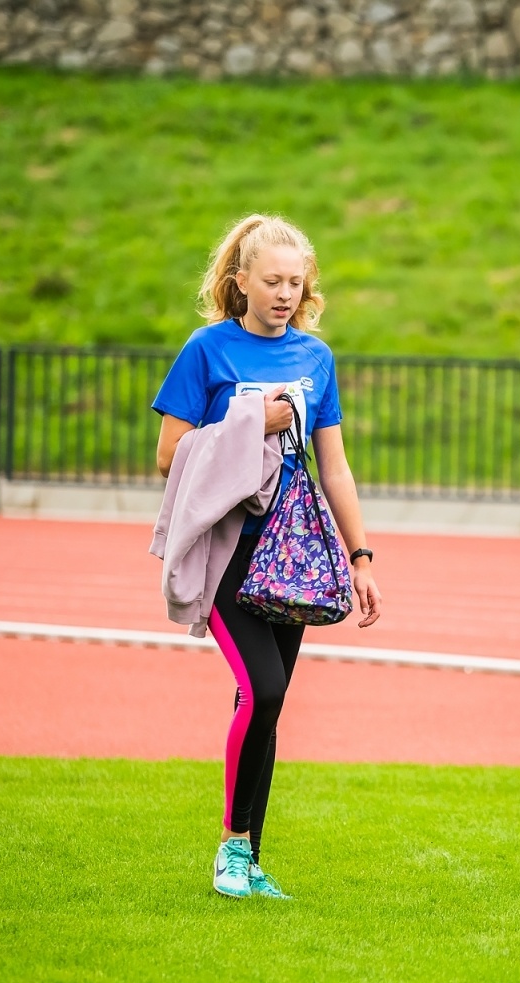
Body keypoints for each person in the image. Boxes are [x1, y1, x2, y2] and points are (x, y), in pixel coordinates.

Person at [152, 214, 383, 900]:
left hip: (292, 552)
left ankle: (250, 859)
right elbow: (169, 455)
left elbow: (334, 467)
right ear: (241, 282)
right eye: (273, 281)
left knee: (266, 705)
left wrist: (361, 556)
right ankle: (230, 849)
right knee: (265, 690)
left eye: (296, 282)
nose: (286, 294)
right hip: (229, 548)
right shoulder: (206, 350)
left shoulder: (316, 358)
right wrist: (255, 421)